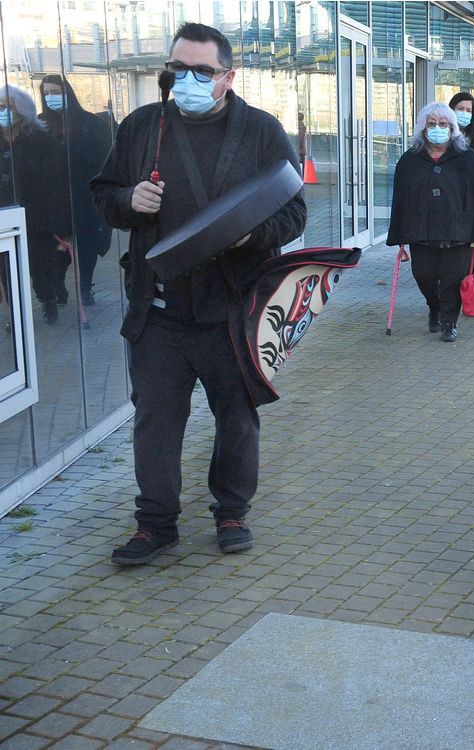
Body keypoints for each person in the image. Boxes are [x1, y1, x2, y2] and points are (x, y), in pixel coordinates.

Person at [91, 22, 307, 565]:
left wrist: (254, 234)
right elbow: (103, 192)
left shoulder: (260, 130)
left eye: (201, 71)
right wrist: (127, 200)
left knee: (236, 416)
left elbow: (294, 211)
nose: (186, 79)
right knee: (156, 421)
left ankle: (231, 512)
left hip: (233, 307)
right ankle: (155, 525)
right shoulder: (143, 126)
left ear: (228, 76)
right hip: (158, 309)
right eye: (177, 69)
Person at [386, 102, 474, 342]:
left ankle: (449, 322)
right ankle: (434, 306)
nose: (438, 128)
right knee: (423, 276)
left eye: (443, 124)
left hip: (458, 232)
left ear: (452, 127)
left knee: (453, 280)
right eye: (432, 124)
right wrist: (400, 235)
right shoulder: (410, 160)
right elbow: (401, 199)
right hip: (421, 232)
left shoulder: (467, 159)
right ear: (423, 129)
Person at [39, 74, 114, 306]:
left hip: (84, 196)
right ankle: (59, 286)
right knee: (57, 247)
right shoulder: (41, 125)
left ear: (67, 92)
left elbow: (104, 161)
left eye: (56, 92)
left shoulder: (91, 124)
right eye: (47, 93)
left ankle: (85, 287)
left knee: (87, 245)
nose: (51, 97)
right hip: (53, 198)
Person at [0, 85, 72, 325]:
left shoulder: (41, 140)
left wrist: (59, 222)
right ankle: (16, 312)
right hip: (4, 217)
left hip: (37, 218)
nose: (3, 112)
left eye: (7, 107)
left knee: (41, 266)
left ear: (21, 111)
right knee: (7, 271)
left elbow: (56, 182)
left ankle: (47, 300)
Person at [297, 111, 308, 176]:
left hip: (300, 150)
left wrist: (298, 146)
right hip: (302, 150)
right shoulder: (302, 125)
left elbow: (300, 138)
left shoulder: (300, 126)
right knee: (302, 164)